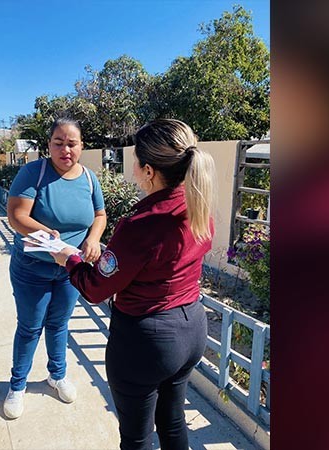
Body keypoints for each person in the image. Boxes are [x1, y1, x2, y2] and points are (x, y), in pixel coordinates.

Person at [51, 119, 216, 450]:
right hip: (192, 328)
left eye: (136, 162)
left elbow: (96, 288)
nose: (133, 169)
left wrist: (69, 259)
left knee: (137, 438)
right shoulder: (198, 209)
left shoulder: (142, 225)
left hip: (147, 341)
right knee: (173, 422)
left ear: (149, 170)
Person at [2, 118, 107, 419]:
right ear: (48, 145)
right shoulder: (33, 173)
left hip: (71, 270)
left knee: (59, 324)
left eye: (72, 143)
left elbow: (100, 215)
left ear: (82, 146)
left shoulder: (89, 178)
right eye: (58, 143)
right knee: (30, 326)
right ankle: (17, 385)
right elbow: (17, 216)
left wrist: (93, 239)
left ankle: (56, 375)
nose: (65, 150)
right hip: (33, 268)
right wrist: (49, 238)